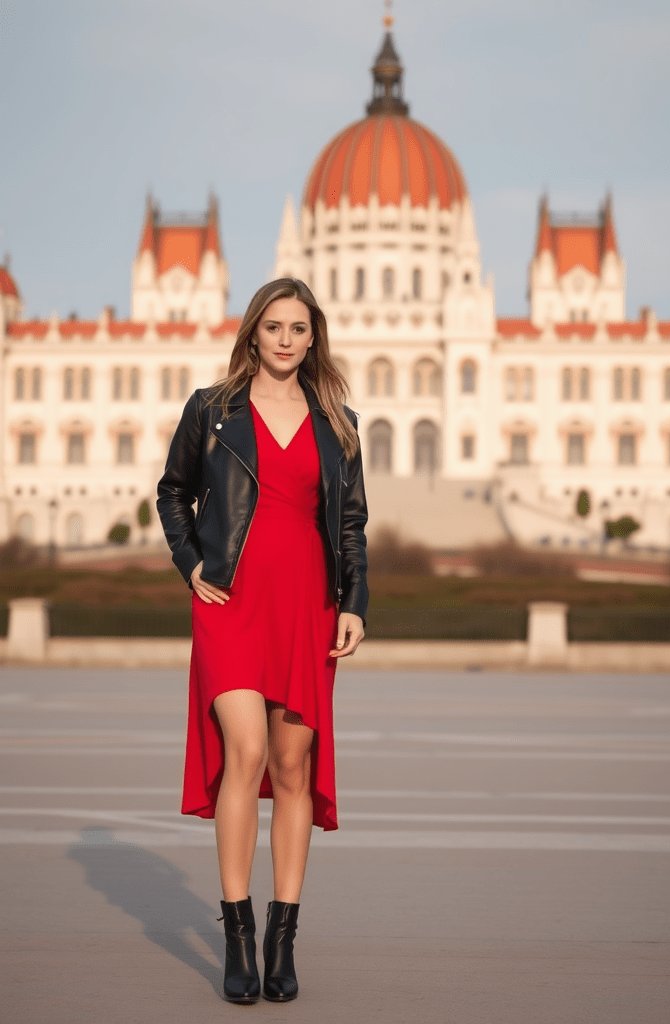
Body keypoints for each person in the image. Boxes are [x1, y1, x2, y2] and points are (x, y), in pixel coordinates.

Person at [156, 277, 368, 1004]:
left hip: (306, 602)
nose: (285, 339)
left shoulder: (338, 421)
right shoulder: (211, 410)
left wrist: (354, 604)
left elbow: (350, 526)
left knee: (291, 766)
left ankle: (283, 941)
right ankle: (237, 936)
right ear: (253, 333)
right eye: (273, 326)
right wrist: (190, 564)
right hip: (232, 599)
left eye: (298, 329)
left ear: (314, 338)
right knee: (244, 752)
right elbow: (171, 491)